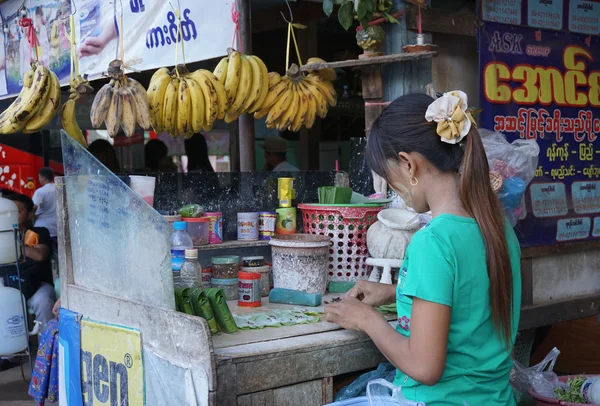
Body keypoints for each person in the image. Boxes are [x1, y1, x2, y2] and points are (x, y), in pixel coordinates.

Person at [324, 92, 521, 406]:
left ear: (408, 164)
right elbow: (469, 294)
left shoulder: (432, 242)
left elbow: (425, 366)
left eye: (390, 179)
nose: (394, 190)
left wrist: (366, 319)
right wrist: (396, 291)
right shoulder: (499, 227)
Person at [0, 193, 55, 329]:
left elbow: (39, 255)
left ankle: (45, 347)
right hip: (5, 283)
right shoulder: (2, 233)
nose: (11, 215)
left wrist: (11, 246)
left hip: (36, 284)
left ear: (30, 214)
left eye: (18, 211)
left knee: (43, 302)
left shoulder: (40, 232)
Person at [32, 168, 57, 253]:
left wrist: (31, 216)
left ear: (44, 178)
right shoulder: (60, 189)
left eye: (39, 177)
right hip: (58, 228)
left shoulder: (40, 191)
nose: (39, 180)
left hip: (44, 228)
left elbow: (34, 206)